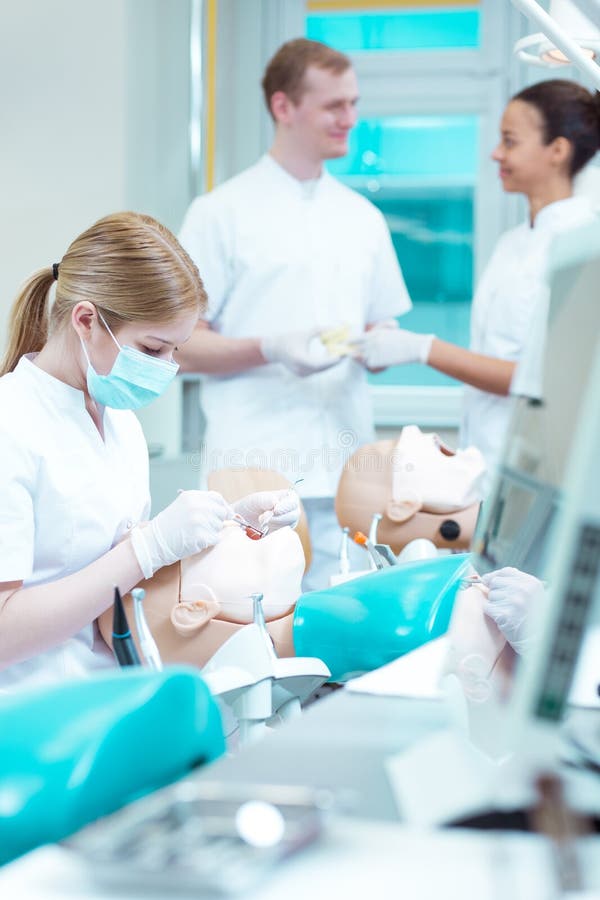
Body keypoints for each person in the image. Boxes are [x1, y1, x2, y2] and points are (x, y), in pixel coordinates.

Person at [0, 212, 299, 692]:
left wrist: (225, 529)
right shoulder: (11, 424)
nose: (169, 367)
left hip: (114, 691)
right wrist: (148, 549)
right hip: (31, 708)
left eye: (176, 350)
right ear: (86, 320)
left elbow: (117, 573)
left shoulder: (120, 423)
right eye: (154, 349)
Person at [177, 38, 411, 591]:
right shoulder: (220, 214)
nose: (350, 119)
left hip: (349, 477)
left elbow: (380, 322)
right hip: (253, 472)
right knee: (254, 624)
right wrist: (268, 348)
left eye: (353, 103)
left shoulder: (363, 218)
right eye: (334, 106)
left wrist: (383, 344)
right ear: (283, 106)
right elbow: (178, 346)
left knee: (345, 625)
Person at [355, 79, 600, 489]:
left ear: (557, 150)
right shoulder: (513, 243)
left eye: (510, 141)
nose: (495, 153)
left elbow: (538, 378)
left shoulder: (584, 248)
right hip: (487, 465)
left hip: (542, 472)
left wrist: (423, 349)